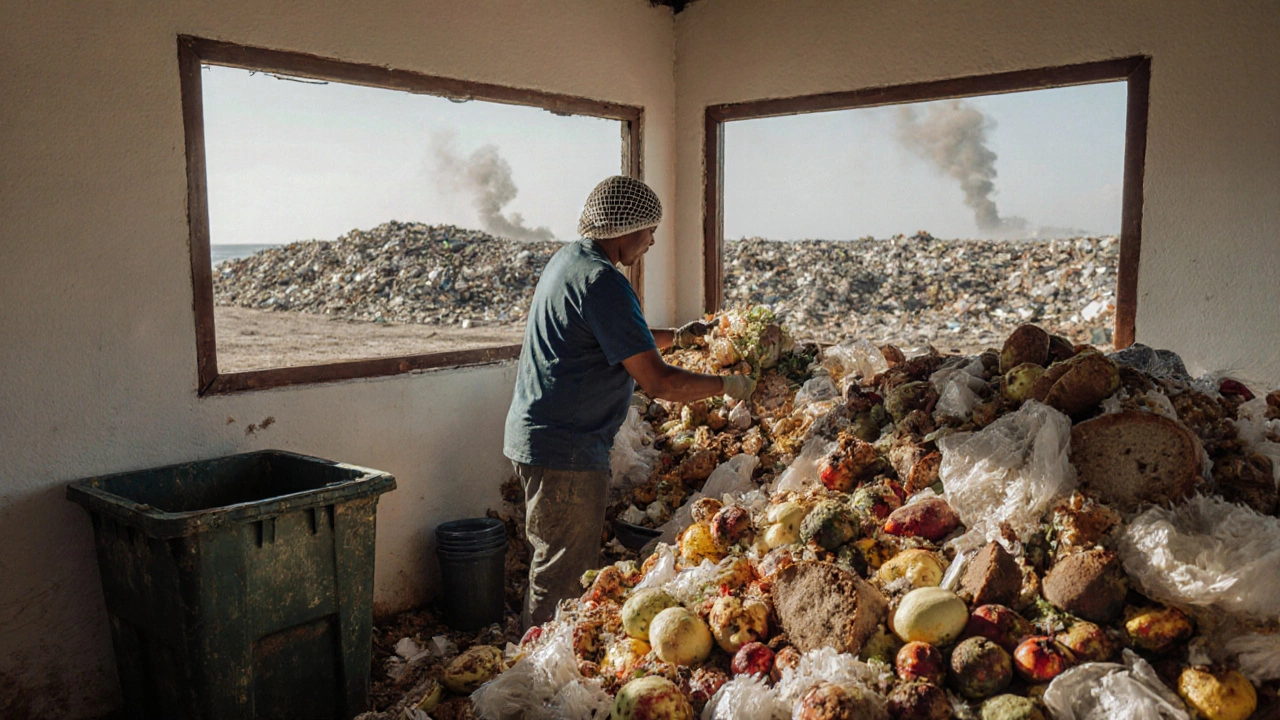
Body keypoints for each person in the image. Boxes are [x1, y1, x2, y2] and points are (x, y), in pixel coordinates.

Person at [503, 175, 755, 628]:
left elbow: (619, 338)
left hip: (539, 438)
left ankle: (539, 658)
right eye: (649, 230)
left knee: (555, 563)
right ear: (624, 230)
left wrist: (676, 337)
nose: (653, 240)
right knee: (560, 578)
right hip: (567, 451)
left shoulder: (570, 261)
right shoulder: (604, 283)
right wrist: (726, 386)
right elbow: (658, 383)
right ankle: (533, 680)